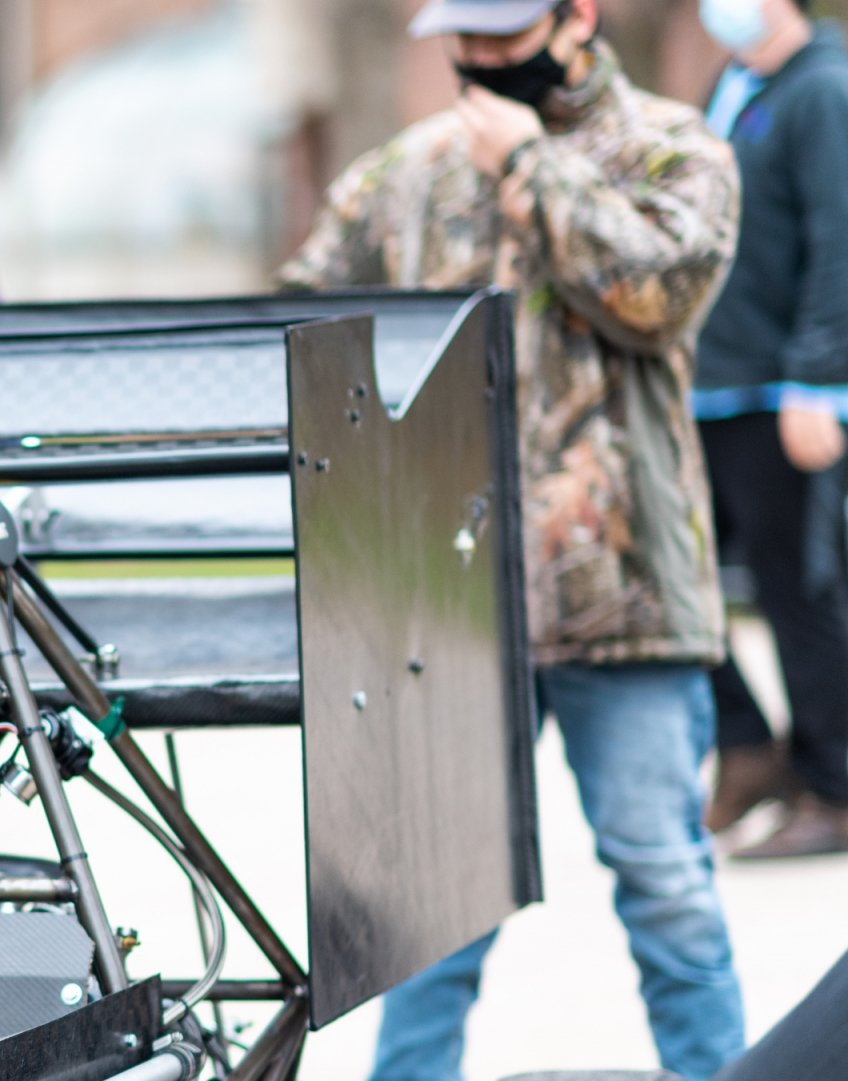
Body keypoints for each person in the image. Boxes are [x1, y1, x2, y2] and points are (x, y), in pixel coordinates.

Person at [279, 1, 747, 1077]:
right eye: (466, 38)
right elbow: (302, 317)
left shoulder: (673, 147)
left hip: (619, 600)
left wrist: (535, 167)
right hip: (444, 608)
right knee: (433, 904)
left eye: (506, 33)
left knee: (663, 878)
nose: (483, 60)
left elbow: (661, 297)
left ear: (576, 15)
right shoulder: (410, 170)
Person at [691, 0, 848, 859]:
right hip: (713, 387)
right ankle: (749, 745)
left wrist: (818, 380)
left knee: (800, 591)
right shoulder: (740, 82)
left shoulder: (821, 90)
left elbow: (841, 240)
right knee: (665, 573)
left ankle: (835, 786)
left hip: (781, 393)